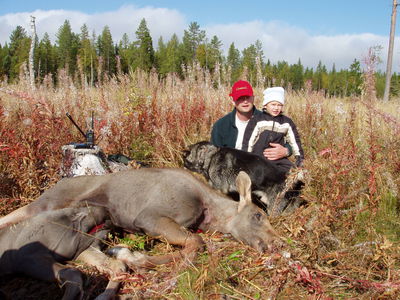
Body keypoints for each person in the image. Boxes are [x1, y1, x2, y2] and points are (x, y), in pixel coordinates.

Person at [211, 80, 291, 160]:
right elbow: (214, 155)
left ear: (253, 98)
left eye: (248, 97)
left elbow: (291, 142)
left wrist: (286, 151)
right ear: (233, 101)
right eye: (240, 98)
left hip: (262, 165)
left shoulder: (270, 119)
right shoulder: (221, 125)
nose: (245, 101)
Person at [241, 86, 304, 174]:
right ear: (265, 105)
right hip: (259, 158)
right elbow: (248, 141)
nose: (276, 108)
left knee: (293, 173)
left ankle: (290, 185)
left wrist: (299, 157)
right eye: (273, 104)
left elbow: (295, 141)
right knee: (258, 173)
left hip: (279, 159)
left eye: (279, 105)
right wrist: (246, 159)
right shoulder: (257, 120)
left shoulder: (286, 123)